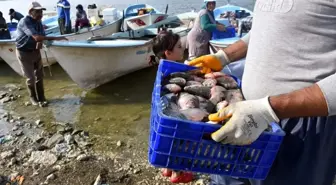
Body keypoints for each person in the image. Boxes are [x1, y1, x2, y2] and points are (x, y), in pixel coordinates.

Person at [187, 0, 336, 185]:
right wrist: (224, 56)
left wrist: (268, 109)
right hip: (241, 109)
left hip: (301, 126)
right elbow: (264, 30)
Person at [152, 30, 194, 184]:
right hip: (172, 111)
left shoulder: (164, 67)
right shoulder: (173, 70)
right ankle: (178, 173)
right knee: (181, 141)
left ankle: (168, 168)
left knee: (169, 140)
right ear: (168, 53)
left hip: (164, 110)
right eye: (179, 47)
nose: (183, 48)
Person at [15, 1, 67, 107]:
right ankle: (33, 98)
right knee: (31, 78)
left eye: (41, 12)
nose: (40, 14)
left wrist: (40, 42)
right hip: (24, 52)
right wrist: (57, 38)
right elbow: (37, 37)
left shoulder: (38, 22)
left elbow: (41, 35)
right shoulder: (25, 21)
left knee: (40, 75)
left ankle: (42, 97)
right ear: (30, 12)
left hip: (35, 51)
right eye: (37, 12)